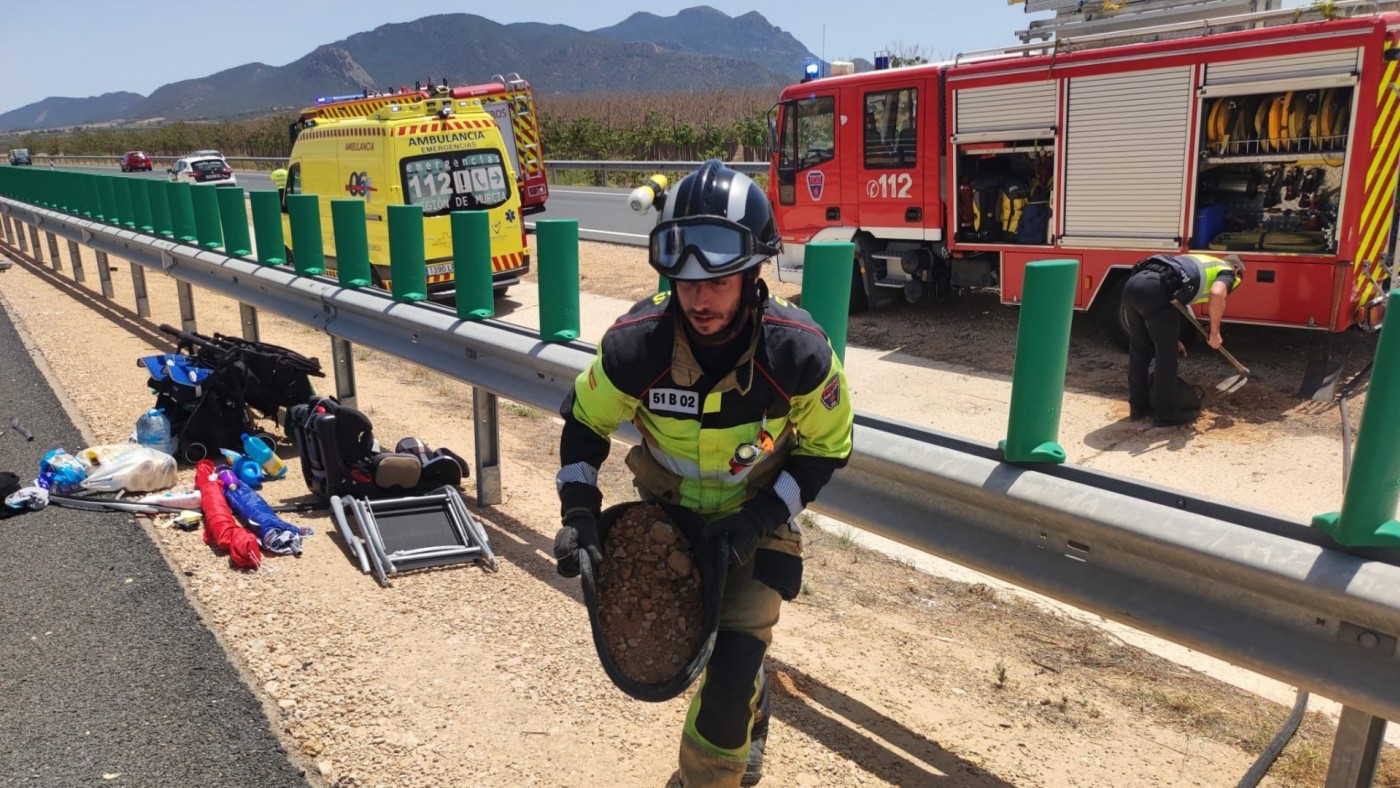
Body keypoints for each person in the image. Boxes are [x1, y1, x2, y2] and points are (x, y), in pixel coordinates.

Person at [552, 160, 854, 787]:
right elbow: (585, 424)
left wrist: (761, 519)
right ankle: (752, 703)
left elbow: (826, 449)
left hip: (759, 520)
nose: (698, 296)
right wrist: (578, 514)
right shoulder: (636, 348)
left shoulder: (797, 354)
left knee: (728, 677)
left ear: (753, 273)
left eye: (717, 279)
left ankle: (707, 771)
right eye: (683, 278)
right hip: (670, 526)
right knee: (686, 653)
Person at [1122, 252, 1245, 427]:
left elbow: (1178, 299)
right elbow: (1217, 294)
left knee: (1139, 350)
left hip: (1132, 286)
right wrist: (1215, 332)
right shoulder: (1227, 272)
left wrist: (1175, 337)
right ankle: (1164, 415)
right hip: (1157, 291)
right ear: (1237, 269)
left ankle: (1138, 408)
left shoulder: (1201, 261)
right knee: (1166, 356)